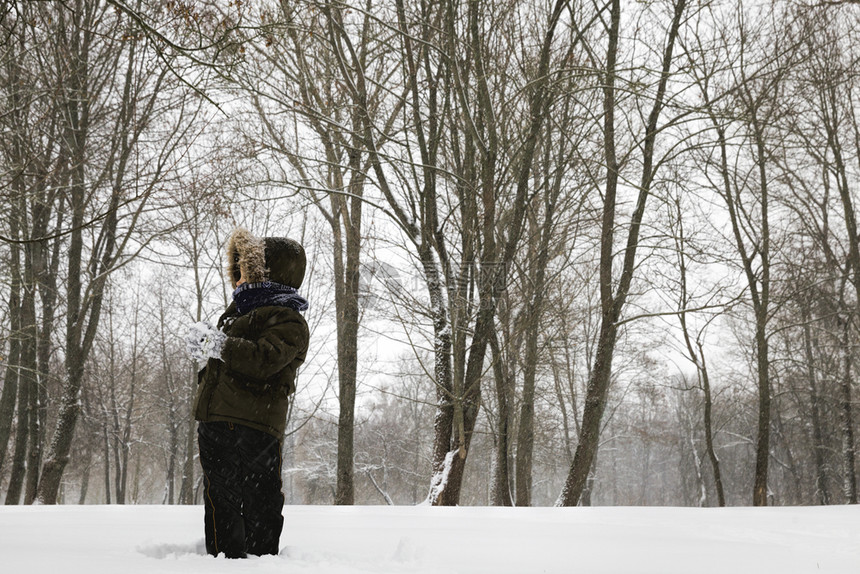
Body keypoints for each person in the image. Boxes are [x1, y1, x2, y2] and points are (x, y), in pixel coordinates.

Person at [186, 227, 310, 558]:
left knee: (259, 497)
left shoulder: (288, 320)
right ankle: (222, 559)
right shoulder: (237, 313)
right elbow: (226, 360)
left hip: (255, 425)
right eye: (237, 273)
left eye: (244, 273)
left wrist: (219, 345)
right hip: (215, 419)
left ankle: (260, 561)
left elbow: (264, 360)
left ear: (266, 274)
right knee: (219, 496)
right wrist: (206, 355)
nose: (237, 281)